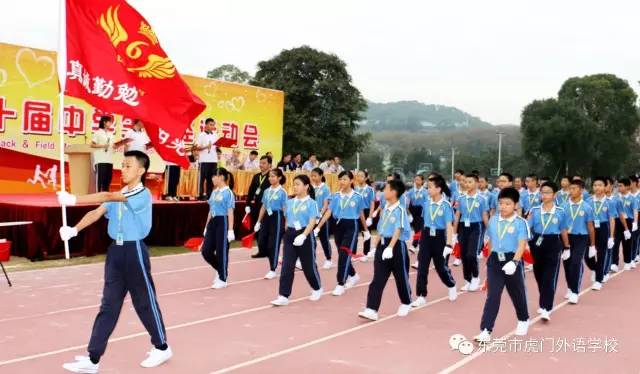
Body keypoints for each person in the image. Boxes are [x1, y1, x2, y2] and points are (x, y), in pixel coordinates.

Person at [58, 151, 172, 372]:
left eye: (128, 166)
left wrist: (75, 199)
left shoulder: (143, 194)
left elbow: (107, 197)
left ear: (141, 170)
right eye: (123, 165)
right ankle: (93, 359)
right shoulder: (120, 193)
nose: (124, 169)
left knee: (144, 302)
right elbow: (98, 211)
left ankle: (162, 347)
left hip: (134, 251)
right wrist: (73, 230)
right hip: (115, 254)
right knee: (108, 306)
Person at [475, 187, 530, 343]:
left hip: (512, 260)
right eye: (501, 203)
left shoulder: (521, 223)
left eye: (507, 203)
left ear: (515, 205)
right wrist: (488, 263)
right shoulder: (493, 220)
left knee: (517, 292)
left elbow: (521, 245)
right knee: (493, 295)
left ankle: (523, 319)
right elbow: (491, 241)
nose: (503, 207)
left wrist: (514, 262)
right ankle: (486, 330)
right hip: (495, 261)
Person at [358, 179, 413, 321]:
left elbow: (398, 229)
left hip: (396, 246)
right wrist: (374, 248)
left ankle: (406, 302)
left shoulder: (400, 209)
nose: (383, 192)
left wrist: (390, 247)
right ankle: (371, 309)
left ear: (394, 192)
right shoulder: (386, 209)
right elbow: (381, 230)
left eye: (386, 189)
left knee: (401, 277)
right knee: (378, 278)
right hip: (383, 245)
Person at [315, 171, 370, 296]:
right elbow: (329, 211)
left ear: (351, 181)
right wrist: (318, 227)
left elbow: (361, 214)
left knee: (344, 254)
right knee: (342, 253)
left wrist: (365, 230)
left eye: (345, 179)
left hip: (352, 226)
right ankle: (354, 275)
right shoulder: (335, 196)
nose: (342, 182)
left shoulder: (357, 196)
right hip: (338, 226)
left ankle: (340, 284)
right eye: (340, 179)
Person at [271, 175, 323, 306]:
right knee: (287, 266)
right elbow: (287, 220)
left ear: (306, 186)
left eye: (298, 184)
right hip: (290, 234)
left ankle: (317, 288)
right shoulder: (289, 202)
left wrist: (304, 235)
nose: (295, 187)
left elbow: (312, 222)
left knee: (308, 266)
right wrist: (288, 233)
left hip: (305, 235)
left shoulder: (312, 203)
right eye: (294, 184)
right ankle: (283, 295)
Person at [527, 182, 570, 321]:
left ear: (554, 194)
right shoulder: (534, 210)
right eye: (542, 192)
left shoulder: (560, 211)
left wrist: (567, 246)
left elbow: (563, 230)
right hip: (537, 242)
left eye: (548, 192)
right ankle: (543, 299)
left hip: (553, 243)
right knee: (539, 275)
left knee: (550, 276)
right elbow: (528, 228)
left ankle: (547, 307)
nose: (544, 195)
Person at [412, 175, 457, 307]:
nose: (428, 189)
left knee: (440, 268)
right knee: (422, 267)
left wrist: (449, 244)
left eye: (430, 187)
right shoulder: (426, 203)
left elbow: (449, 226)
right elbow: (423, 221)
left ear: (438, 189)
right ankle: (421, 295)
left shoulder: (446, 205)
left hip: (439, 238)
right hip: (426, 236)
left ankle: (451, 284)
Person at [561, 178, 595, 304]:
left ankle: (575, 292)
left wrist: (592, 245)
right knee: (567, 264)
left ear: (581, 190)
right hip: (566, 237)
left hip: (581, 237)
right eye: (570, 188)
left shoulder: (587, 207)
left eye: (574, 188)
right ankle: (570, 287)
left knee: (576, 262)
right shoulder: (563, 206)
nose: (571, 190)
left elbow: (590, 227)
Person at [453, 173, 489, 292]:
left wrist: (489, 232)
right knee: (463, 255)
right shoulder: (460, 198)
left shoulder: (482, 199)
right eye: (466, 182)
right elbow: (457, 215)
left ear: (477, 183)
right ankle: (467, 280)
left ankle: (475, 277)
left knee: (471, 254)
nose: (467, 184)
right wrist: (454, 233)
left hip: (476, 227)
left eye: (470, 182)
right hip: (463, 227)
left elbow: (484, 216)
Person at [201, 168, 236, 289]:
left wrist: (230, 230)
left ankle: (223, 278)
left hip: (223, 222)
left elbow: (230, 211)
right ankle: (220, 268)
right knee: (206, 251)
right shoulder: (214, 192)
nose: (212, 179)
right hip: (213, 222)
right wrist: (206, 226)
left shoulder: (228, 192)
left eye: (214, 176)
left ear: (221, 177)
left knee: (221, 251)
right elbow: (210, 210)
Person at [254, 169, 287, 280]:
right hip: (267, 218)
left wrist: (287, 223)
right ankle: (277, 257)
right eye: (269, 176)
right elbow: (263, 206)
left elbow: (285, 208)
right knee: (262, 241)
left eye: (273, 176)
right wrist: (258, 221)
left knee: (273, 243)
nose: (270, 178)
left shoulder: (282, 192)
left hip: (277, 217)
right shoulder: (266, 191)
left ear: (279, 178)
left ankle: (273, 269)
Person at [586, 177, 615, 291]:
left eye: (600, 185)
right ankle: (595, 269)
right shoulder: (588, 201)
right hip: (590, 227)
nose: (597, 187)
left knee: (602, 254)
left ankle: (598, 280)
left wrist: (611, 236)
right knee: (587, 255)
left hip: (603, 228)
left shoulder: (609, 202)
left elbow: (612, 219)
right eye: (595, 185)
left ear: (605, 187)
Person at [246, 155, 273, 258]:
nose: (261, 165)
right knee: (257, 228)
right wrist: (247, 204)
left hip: (268, 207)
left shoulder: (272, 176)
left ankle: (269, 250)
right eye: (260, 163)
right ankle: (261, 250)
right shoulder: (256, 176)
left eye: (264, 163)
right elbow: (251, 191)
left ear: (269, 165)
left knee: (267, 229)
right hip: (257, 205)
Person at [311, 168, 333, 269]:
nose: (313, 177)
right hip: (311, 217)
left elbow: (325, 204)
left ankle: (328, 259)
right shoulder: (310, 188)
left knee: (324, 239)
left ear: (320, 176)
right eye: (312, 175)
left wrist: (319, 215)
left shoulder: (325, 188)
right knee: (311, 239)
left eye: (315, 175)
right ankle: (312, 259)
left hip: (322, 217)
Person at [613, 178, 636, 271]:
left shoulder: (632, 198)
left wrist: (635, 222)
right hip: (617, 221)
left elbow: (635, 211)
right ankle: (614, 263)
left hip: (628, 221)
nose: (619, 187)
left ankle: (627, 261)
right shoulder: (616, 198)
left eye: (621, 186)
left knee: (627, 243)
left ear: (627, 186)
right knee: (616, 242)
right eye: (618, 185)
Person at [195, 118, 219, 200]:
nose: (212, 126)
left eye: (213, 125)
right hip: (204, 160)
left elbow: (216, 147)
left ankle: (209, 195)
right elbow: (196, 147)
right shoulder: (201, 135)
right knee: (201, 179)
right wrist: (206, 147)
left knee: (211, 179)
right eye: (210, 125)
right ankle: (200, 195)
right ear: (206, 125)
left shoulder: (215, 135)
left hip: (213, 160)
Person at [355, 170, 376, 261]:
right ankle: (353, 253)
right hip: (356, 212)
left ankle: (365, 253)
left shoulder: (370, 189)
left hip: (366, 212)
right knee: (354, 233)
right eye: (358, 176)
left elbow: (372, 203)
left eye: (362, 176)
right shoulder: (355, 189)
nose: (359, 178)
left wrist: (370, 217)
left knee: (366, 233)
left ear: (366, 178)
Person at [91, 115, 115, 192]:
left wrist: (116, 146)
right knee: (99, 180)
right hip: (100, 160)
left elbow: (112, 145)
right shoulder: (97, 133)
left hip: (109, 159)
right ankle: (97, 196)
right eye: (109, 121)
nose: (111, 123)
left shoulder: (111, 134)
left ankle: (105, 196)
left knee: (107, 179)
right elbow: (92, 144)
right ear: (104, 122)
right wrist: (103, 145)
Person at [407, 175, 427, 250]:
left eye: (418, 180)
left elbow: (426, 203)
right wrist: (409, 214)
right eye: (415, 180)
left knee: (420, 228)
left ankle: (414, 244)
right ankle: (419, 242)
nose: (417, 181)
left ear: (422, 181)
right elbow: (407, 203)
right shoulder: (411, 191)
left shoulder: (425, 192)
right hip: (413, 210)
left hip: (421, 210)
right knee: (416, 228)